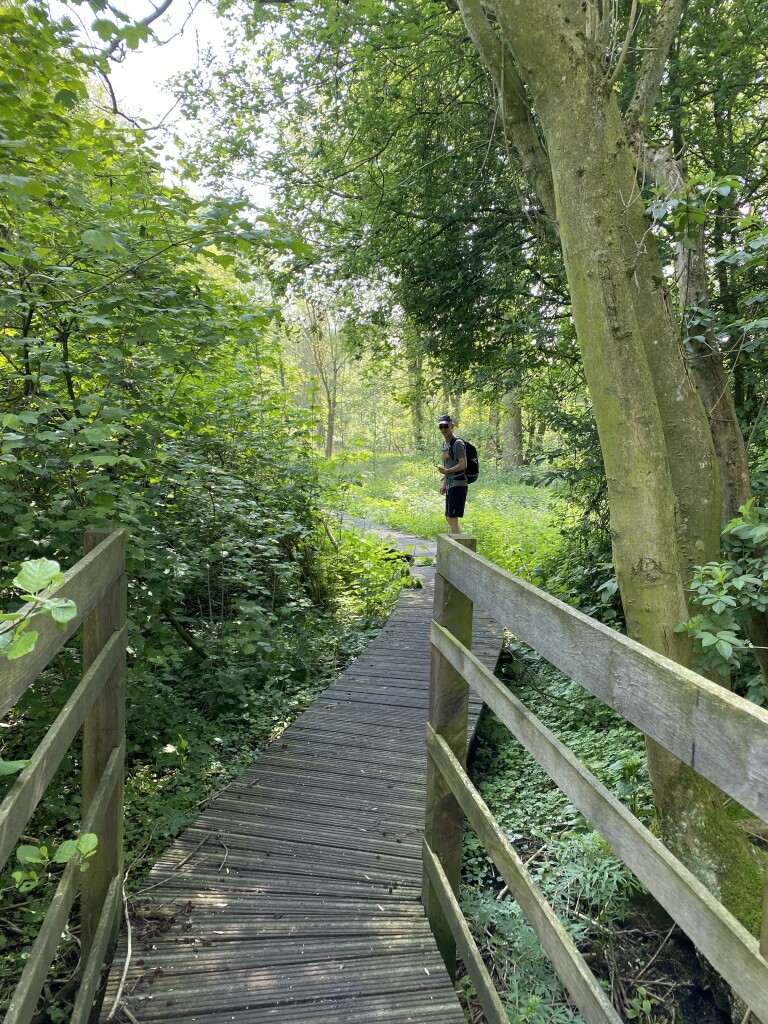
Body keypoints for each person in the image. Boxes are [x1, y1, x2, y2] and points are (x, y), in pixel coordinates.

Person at [436, 414, 468, 534]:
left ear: (452, 426)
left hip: (458, 484)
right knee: (450, 518)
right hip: (450, 484)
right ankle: (457, 544)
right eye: (441, 427)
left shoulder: (458, 443)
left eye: (446, 426)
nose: (443, 429)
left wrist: (447, 472)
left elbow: (463, 464)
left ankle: (458, 547)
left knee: (452, 518)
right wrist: (444, 483)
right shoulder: (445, 444)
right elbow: (447, 464)